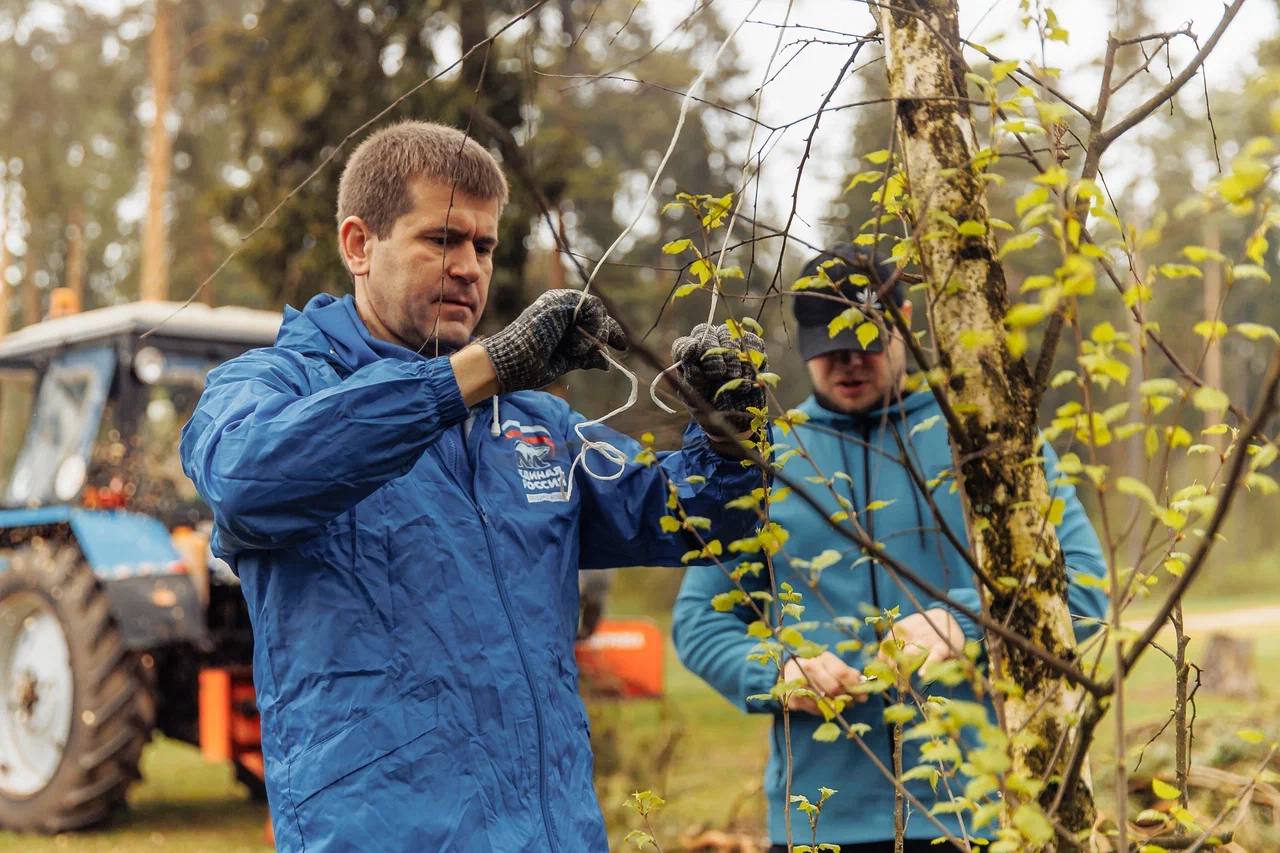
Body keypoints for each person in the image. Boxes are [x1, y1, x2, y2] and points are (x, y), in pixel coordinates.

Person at [179, 120, 766, 852]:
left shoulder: (532, 425)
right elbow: (248, 479)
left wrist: (730, 433)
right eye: (442, 239)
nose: (468, 268)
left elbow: (695, 518)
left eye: (484, 247)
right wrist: (476, 374)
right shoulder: (271, 385)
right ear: (359, 245)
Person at [671, 244, 1107, 852]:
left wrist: (966, 625)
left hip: (982, 813)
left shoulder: (986, 437)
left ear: (905, 321)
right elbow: (699, 622)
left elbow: (1083, 587)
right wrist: (780, 671)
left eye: (865, 342)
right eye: (829, 349)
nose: (848, 363)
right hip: (820, 821)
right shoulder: (766, 462)